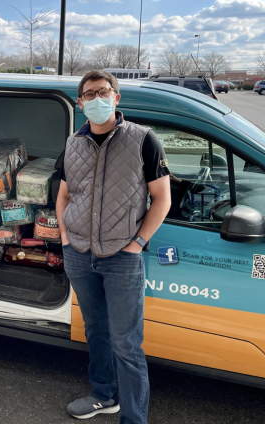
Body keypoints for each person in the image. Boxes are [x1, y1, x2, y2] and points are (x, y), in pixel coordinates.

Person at [56, 70, 171, 423]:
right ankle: (104, 395)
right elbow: (64, 196)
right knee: (96, 331)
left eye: (103, 92)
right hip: (79, 254)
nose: (96, 99)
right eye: (89, 94)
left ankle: (133, 419)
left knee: (126, 343)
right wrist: (65, 238)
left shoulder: (143, 139)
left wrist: (137, 244)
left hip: (122, 257)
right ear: (80, 102)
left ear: (116, 97)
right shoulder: (73, 143)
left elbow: (162, 198)